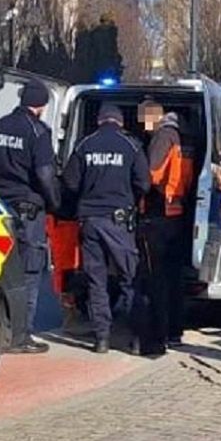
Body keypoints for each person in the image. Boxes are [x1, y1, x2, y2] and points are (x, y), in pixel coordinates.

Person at [0, 80, 60, 354]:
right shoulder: (38, 132)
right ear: (42, 105)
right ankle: (20, 336)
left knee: (1, 271)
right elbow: (45, 175)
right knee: (29, 273)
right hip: (28, 212)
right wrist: (55, 203)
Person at [62, 103, 150, 354]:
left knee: (96, 280)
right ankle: (135, 339)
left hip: (90, 220)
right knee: (129, 278)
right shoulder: (131, 146)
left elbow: (69, 182)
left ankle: (101, 338)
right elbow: (144, 183)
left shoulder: (84, 145)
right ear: (120, 122)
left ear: (100, 120)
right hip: (119, 221)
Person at [137, 100, 195, 355]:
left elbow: (152, 175)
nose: (142, 125)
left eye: (143, 119)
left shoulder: (163, 137)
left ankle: (157, 336)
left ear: (153, 118)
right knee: (174, 278)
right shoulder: (185, 137)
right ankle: (175, 331)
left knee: (156, 278)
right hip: (178, 211)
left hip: (159, 211)